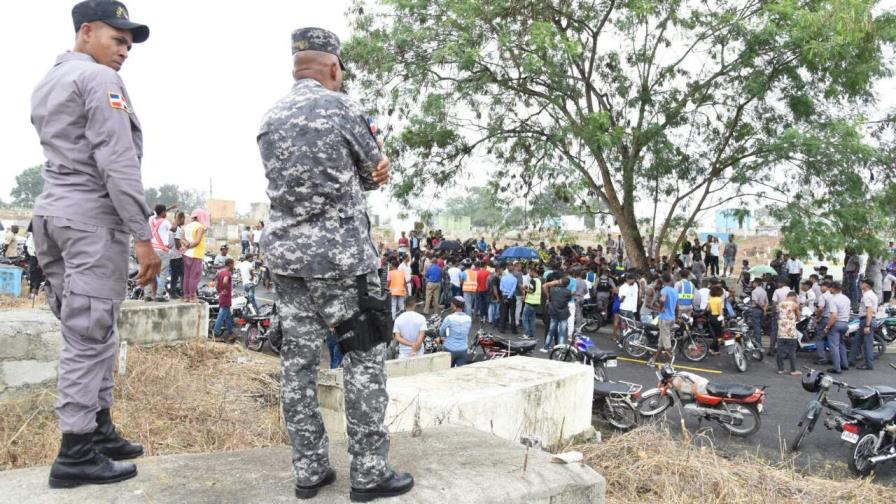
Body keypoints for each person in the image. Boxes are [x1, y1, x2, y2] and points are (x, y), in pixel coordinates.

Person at [257, 27, 412, 501]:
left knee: (298, 364)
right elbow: (373, 171)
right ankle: (368, 472)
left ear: (296, 65)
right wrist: (379, 168)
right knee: (363, 360)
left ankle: (309, 470)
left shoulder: (270, 117)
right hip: (342, 262)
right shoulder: (342, 108)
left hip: (287, 262)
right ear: (333, 67)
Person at [30, 0, 156, 489]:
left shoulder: (51, 79)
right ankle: (77, 450)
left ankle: (99, 428)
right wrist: (143, 236)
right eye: (116, 39)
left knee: (93, 328)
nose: (124, 51)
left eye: (128, 44)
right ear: (86, 32)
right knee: (89, 336)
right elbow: (117, 162)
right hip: (90, 223)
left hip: (53, 216)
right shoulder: (100, 80)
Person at [649, 273, 678, 367]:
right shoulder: (675, 291)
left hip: (664, 318)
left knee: (666, 343)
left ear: (663, 280)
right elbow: (677, 306)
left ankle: (670, 361)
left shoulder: (664, 290)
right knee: (661, 341)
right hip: (672, 318)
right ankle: (654, 359)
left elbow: (662, 300)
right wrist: (676, 317)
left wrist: (660, 308)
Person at [850, 278, 878, 370]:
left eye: (862, 283)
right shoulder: (871, 294)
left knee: (867, 344)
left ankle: (869, 364)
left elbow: (869, 310)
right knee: (856, 342)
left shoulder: (867, 295)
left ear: (866, 285)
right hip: (865, 320)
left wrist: (867, 325)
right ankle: (850, 361)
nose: (860, 284)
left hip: (867, 320)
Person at [824, 282, 851, 374]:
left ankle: (837, 368)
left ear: (834, 288)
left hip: (836, 324)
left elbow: (834, 316)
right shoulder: (846, 299)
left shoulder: (833, 300)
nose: (829, 289)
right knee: (841, 344)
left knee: (834, 346)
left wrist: (828, 327)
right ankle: (845, 364)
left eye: (830, 288)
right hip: (845, 323)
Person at [181, 209, 208, 303]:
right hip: (196, 254)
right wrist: (188, 246)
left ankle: (186, 296)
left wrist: (185, 246)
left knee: (187, 275)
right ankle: (192, 297)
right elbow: (197, 241)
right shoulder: (200, 227)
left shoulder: (187, 226)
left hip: (186, 254)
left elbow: (182, 238)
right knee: (195, 276)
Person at [439, 297, 472, 367]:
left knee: (447, 369)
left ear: (453, 305)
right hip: (463, 349)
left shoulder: (449, 318)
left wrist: (446, 335)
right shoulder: (468, 318)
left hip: (450, 348)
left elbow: (441, 332)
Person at [147, 204, 171, 302]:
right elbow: (173, 228)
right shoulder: (166, 222)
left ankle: (147, 295)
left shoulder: (151, 220)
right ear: (163, 212)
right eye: (166, 212)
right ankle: (159, 295)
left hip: (151, 249)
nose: (166, 213)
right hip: (162, 251)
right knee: (162, 274)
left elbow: (156, 213)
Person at [542, 275, 572, 352]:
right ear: (567, 284)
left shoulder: (552, 290)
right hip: (563, 313)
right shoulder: (568, 292)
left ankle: (546, 347)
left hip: (554, 312)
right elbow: (568, 300)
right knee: (562, 333)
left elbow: (548, 292)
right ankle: (559, 349)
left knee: (551, 331)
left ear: (560, 281)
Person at [776, 291, 801, 375]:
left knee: (780, 351)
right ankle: (793, 370)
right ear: (794, 297)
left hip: (781, 332)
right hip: (791, 333)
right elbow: (798, 317)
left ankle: (780, 369)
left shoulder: (779, 304)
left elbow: (777, 315)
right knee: (792, 352)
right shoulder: (795, 305)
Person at [213, 258, 237, 343]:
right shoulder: (227, 273)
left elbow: (216, 285)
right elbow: (225, 282)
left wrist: (220, 292)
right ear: (230, 264)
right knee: (221, 316)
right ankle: (216, 334)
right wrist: (226, 290)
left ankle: (230, 333)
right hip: (226, 297)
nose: (233, 266)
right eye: (233, 264)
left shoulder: (220, 272)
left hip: (222, 296)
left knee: (228, 317)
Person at [768, 279, 791, 356]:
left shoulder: (777, 291)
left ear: (782, 283)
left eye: (778, 282)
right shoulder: (792, 292)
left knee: (774, 332)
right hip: (788, 315)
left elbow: (774, 304)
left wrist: (773, 313)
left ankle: (771, 350)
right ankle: (784, 352)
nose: (777, 284)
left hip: (779, 314)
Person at [814, 281, 833, 365]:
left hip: (825, 319)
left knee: (819, 338)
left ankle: (822, 358)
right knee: (832, 339)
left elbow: (820, 308)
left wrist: (817, 317)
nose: (820, 288)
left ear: (827, 287)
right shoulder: (835, 295)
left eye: (822, 286)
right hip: (834, 319)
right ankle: (833, 358)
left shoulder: (823, 296)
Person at [521, 267, 542, 339]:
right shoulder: (538, 280)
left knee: (525, 318)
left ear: (533, 272)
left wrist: (524, 289)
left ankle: (526, 334)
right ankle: (531, 334)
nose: (529, 274)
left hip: (530, 302)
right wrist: (528, 287)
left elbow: (531, 291)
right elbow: (535, 290)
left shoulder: (533, 280)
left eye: (530, 272)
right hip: (536, 303)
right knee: (532, 319)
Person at [168, 211, 185, 299]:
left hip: (173, 255)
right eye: (183, 219)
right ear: (181, 218)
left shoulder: (174, 227)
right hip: (176, 256)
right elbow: (177, 243)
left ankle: (176, 292)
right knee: (178, 275)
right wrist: (183, 250)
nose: (184, 221)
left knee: (177, 275)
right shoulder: (177, 229)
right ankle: (175, 292)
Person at [498, 264, 519, 333]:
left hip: (504, 296)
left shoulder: (503, 278)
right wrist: (509, 296)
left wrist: (506, 293)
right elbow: (513, 290)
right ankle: (513, 330)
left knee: (503, 313)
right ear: (513, 271)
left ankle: (502, 328)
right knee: (512, 313)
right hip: (511, 297)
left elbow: (501, 288)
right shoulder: (515, 279)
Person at [706, 285, 725, 355]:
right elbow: (720, 311)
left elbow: (708, 309)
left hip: (711, 317)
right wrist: (722, 320)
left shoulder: (711, 299)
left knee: (715, 335)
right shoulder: (719, 300)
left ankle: (716, 350)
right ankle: (711, 348)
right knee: (718, 335)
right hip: (717, 317)